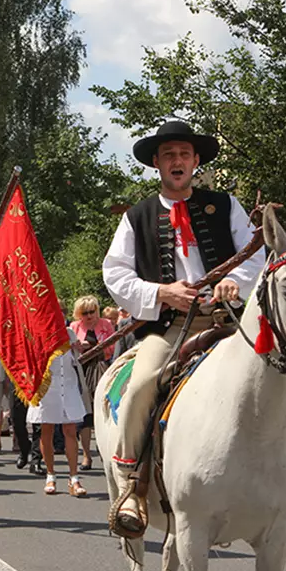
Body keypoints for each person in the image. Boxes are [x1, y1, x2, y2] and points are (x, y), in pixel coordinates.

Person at [100, 119, 269, 536]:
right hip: (172, 327)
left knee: (282, 376)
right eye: (170, 155)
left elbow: (256, 255)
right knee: (140, 388)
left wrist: (236, 282)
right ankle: (131, 489)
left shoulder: (225, 205)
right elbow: (115, 274)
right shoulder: (136, 217)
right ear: (156, 163)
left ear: (196, 161)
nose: (178, 162)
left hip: (228, 323)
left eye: (185, 155)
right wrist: (161, 293)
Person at [29, 328, 88, 497]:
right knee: (46, 430)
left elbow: (76, 360)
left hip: (68, 385)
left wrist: (77, 348)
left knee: (70, 430)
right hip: (47, 387)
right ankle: (50, 475)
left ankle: (74, 477)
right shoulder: (37, 331)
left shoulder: (69, 332)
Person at [70, 295, 115, 471]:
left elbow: (113, 347)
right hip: (81, 370)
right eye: (85, 313)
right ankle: (86, 455)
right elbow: (69, 347)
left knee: (102, 410)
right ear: (78, 314)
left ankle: (104, 452)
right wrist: (79, 346)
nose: (89, 316)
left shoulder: (106, 324)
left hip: (101, 367)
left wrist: (99, 348)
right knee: (84, 415)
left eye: (92, 311)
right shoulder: (74, 327)